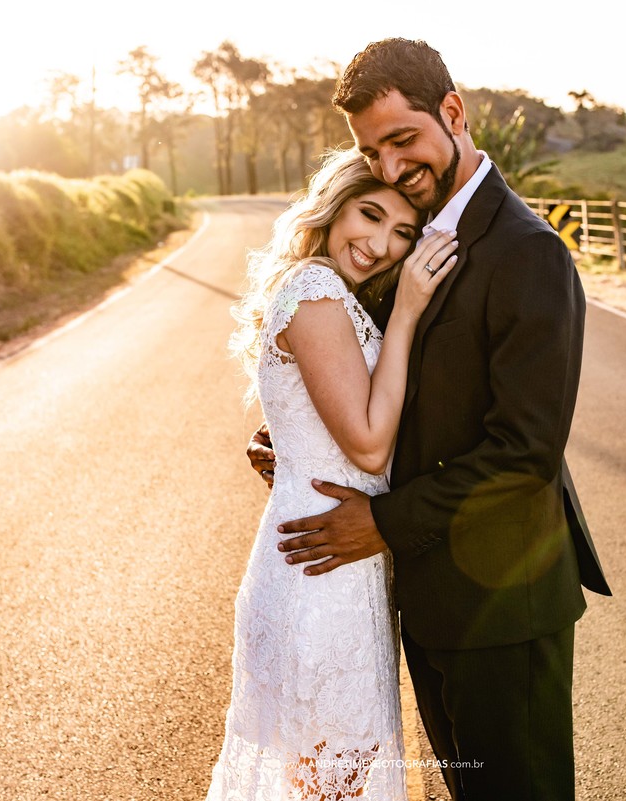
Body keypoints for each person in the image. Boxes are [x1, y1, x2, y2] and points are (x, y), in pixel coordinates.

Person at [249, 39, 611, 800]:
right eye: (369, 152)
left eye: (402, 139)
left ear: (453, 111)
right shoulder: (403, 242)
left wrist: (381, 521)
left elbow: (526, 451)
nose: (387, 165)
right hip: (425, 602)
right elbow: (380, 380)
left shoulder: (528, 252)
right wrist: (299, 435)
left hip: (505, 605)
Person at [208, 148, 459, 801]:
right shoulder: (316, 290)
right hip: (322, 574)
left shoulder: (328, 291)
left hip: (335, 560)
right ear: (334, 205)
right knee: (332, 781)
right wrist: (406, 312)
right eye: (369, 215)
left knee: (326, 781)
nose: (380, 244)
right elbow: (372, 448)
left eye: (402, 232)